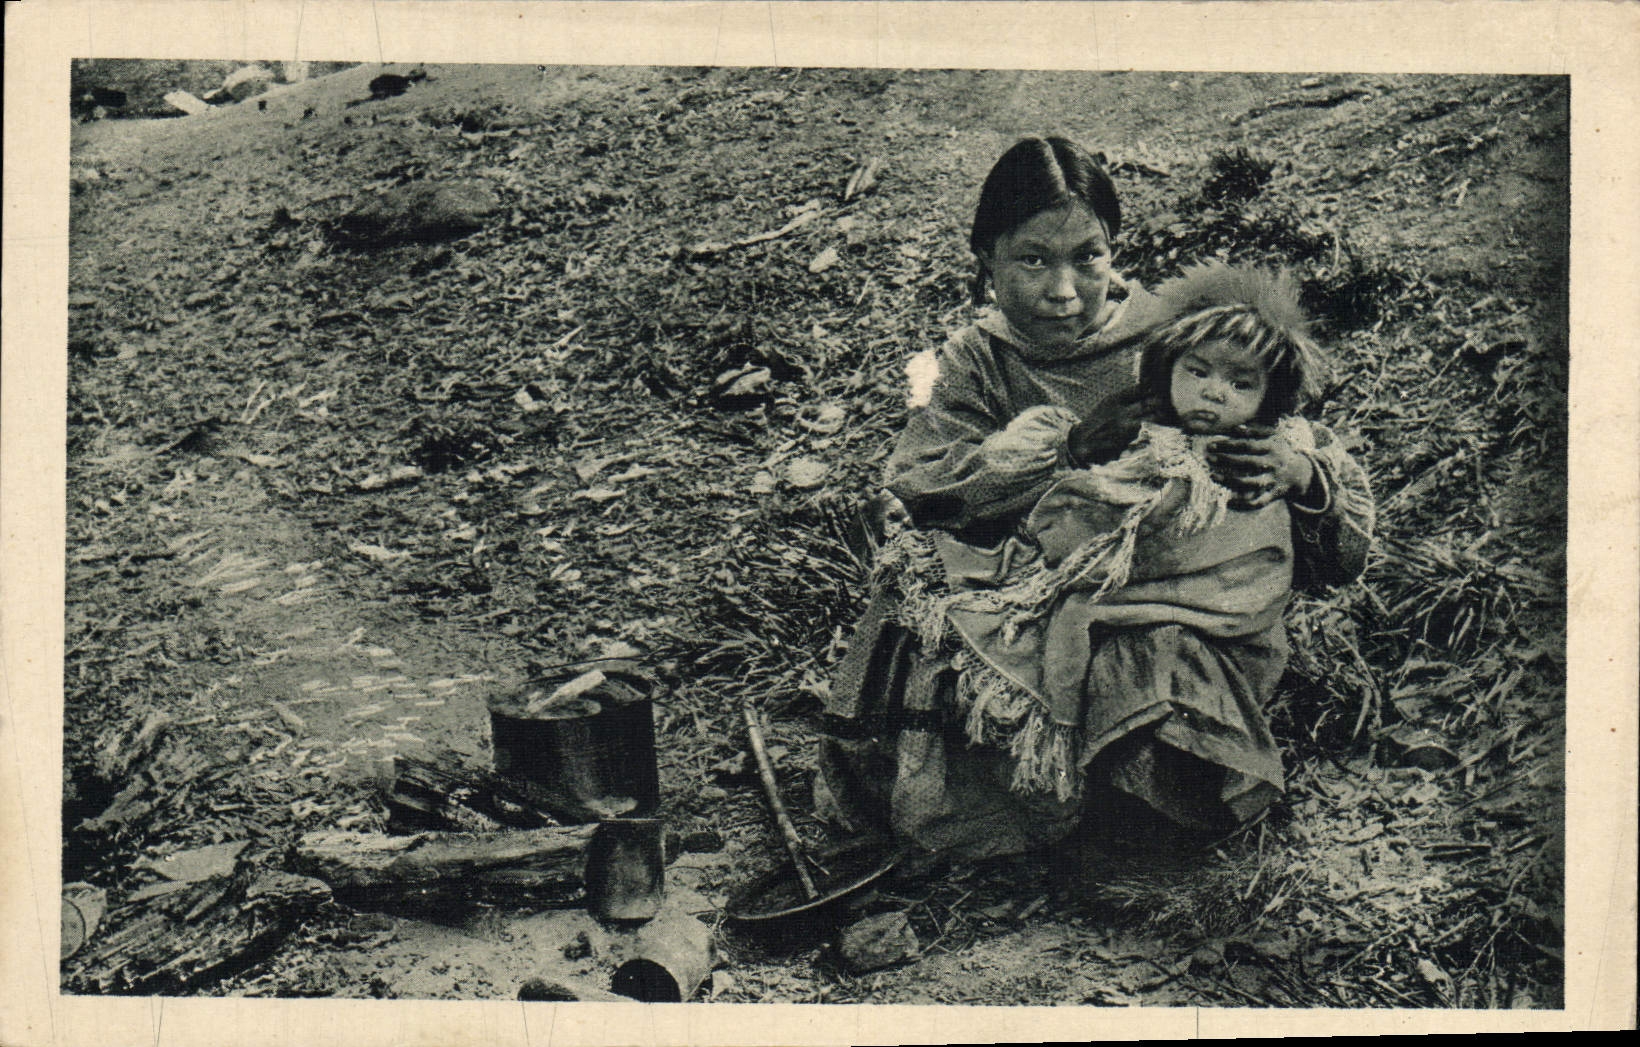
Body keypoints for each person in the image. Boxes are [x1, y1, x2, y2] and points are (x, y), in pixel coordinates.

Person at [815, 139, 1373, 862]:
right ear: (985, 256)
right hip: (1040, 577)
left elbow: (1337, 524)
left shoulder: (1183, 336)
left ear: (1115, 251)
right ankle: (1007, 827)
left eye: (1089, 256)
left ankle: (1145, 823)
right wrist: (1067, 452)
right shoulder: (974, 361)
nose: (1064, 290)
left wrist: (1300, 473)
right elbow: (925, 485)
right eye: (1033, 260)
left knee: (1151, 662)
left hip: (1181, 597)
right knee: (923, 620)